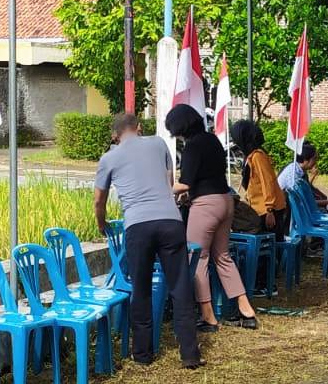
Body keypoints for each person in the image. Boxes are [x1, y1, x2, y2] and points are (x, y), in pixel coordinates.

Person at [95, 112, 204, 365]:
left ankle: (143, 354)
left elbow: (98, 200)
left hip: (137, 226)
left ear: (115, 135)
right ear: (139, 128)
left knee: (141, 289)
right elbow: (169, 184)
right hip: (170, 221)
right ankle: (190, 354)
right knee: (180, 287)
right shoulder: (158, 143)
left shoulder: (109, 158)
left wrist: (101, 224)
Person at [166, 104, 257, 332]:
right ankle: (247, 311)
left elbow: (185, 183)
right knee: (223, 257)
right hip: (226, 202)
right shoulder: (213, 140)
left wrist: (163, 187)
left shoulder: (192, 146)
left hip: (206, 206)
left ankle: (208, 316)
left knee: (197, 258)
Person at [230, 119, 289, 235]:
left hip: (269, 209)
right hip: (259, 207)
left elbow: (268, 182)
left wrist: (269, 210)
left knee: (272, 243)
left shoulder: (258, 156)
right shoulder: (250, 156)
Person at [279, 142, 328, 218]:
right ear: (305, 160)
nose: (316, 162)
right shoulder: (293, 174)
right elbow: (304, 202)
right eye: (314, 159)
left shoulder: (299, 170)